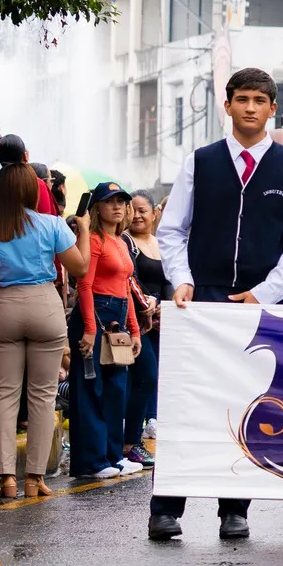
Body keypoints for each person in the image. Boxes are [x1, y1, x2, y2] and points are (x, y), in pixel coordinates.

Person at [153, 67, 283, 542]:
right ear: (227, 105)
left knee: (247, 403)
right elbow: (171, 230)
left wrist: (265, 292)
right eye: (242, 99)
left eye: (259, 100)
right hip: (201, 299)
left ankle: (234, 508)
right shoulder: (200, 161)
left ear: (272, 109)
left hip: (258, 304)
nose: (250, 107)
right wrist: (182, 280)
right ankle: (166, 508)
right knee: (187, 402)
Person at [0, 164, 89, 498]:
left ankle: (6, 479)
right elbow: (80, 267)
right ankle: (34, 479)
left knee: (4, 394)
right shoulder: (51, 225)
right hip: (44, 306)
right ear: (33, 191)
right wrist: (85, 230)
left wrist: (2, 277)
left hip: (5, 306)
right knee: (42, 395)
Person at [71, 181, 144, 480]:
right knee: (92, 389)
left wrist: (134, 330)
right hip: (96, 316)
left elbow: (126, 286)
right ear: (97, 207)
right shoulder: (93, 240)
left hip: (118, 317)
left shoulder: (121, 241)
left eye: (121, 201)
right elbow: (84, 285)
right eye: (109, 201)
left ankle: (114, 455)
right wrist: (89, 328)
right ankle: (92, 461)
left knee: (116, 390)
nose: (117, 206)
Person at [124, 193, 166, 464]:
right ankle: (130, 441)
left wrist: (164, 305)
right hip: (137, 320)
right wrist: (148, 304)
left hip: (163, 320)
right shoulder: (126, 241)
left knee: (156, 378)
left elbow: (171, 278)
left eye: (143, 210)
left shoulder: (160, 242)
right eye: (133, 210)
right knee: (145, 378)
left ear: (154, 213)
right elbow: (131, 279)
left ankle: (137, 434)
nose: (138, 215)